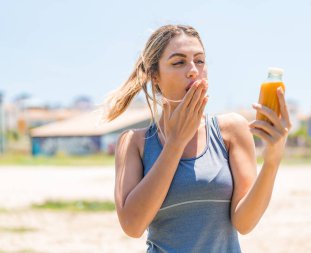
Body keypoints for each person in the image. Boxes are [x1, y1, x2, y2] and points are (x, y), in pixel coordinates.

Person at [106, 24, 292, 253]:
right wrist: (175, 143)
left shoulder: (232, 130)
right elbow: (132, 226)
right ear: (155, 76)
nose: (193, 70)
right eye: (179, 62)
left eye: (200, 61)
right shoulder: (133, 143)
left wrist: (272, 161)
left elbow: (244, 223)